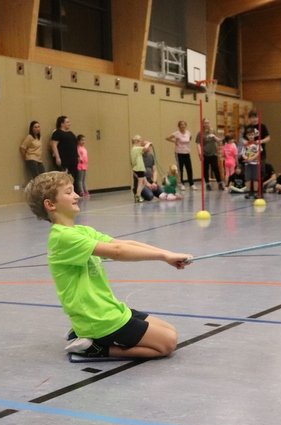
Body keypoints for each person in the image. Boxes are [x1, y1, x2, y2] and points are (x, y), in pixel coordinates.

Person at [24, 171, 192, 358]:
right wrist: (163, 256)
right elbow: (118, 251)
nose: (77, 196)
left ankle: (83, 333)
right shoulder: (62, 237)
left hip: (109, 309)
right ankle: (95, 348)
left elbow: (123, 243)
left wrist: (167, 254)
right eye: (69, 192)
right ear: (50, 204)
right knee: (167, 344)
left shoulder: (81, 231)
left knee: (169, 330)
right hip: (98, 318)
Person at [50, 116, 79, 191]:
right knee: (65, 178)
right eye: (67, 122)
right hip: (64, 159)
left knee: (74, 177)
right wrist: (57, 157)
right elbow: (54, 145)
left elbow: (75, 145)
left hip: (73, 159)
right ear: (62, 124)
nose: (69, 123)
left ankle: (74, 192)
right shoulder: (57, 133)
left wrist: (78, 156)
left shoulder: (71, 133)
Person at [165, 120, 196, 191]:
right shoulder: (176, 133)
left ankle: (191, 184)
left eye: (184, 124)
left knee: (189, 168)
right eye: (181, 125)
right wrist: (174, 141)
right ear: (179, 126)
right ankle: (181, 184)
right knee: (180, 169)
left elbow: (190, 138)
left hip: (187, 153)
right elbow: (167, 138)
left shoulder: (188, 133)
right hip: (179, 153)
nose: (183, 126)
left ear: (185, 125)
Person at [196, 118, 224, 191]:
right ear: (203, 124)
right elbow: (198, 144)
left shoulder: (213, 131)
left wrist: (214, 136)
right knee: (206, 169)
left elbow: (219, 141)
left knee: (215, 168)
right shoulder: (200, 133)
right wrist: (200, 153)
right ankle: (207, 184)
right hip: (205, 153)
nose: (207, 124)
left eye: (208, 123)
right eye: (205, 123)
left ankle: (220, 183)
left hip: (213, 153)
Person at [241, 128, 263, 199]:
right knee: (248, 178)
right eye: (249, 135)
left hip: (255, 163)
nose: (251, 136)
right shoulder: (245, 145)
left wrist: (253, 158)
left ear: (254, 135)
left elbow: (258, 152)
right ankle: (248, 192)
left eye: (252, 135)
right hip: (248, 164)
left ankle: (256, 192)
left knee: (255, 178)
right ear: (247, 136)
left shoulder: (257, 144)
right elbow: (243, 154)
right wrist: (247, 158)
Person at [130, 135, 151, 203]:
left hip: (138, 168)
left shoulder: (134, 149)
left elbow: (144, 151)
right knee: (140, 183)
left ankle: (137, 195)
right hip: (139, 168)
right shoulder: (136, 148)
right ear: (136, 142)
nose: (140, 143)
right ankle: (138, 196)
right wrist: (149, 143)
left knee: (144, 182)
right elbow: (145, 148)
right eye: (139, 141)